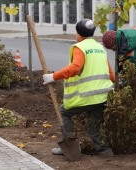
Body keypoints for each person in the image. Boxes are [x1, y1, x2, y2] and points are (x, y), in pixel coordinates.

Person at [43, 19, 115, 156]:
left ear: (79, 34)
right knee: (93, 127)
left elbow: (75, 68)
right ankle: (104, 150)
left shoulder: (80, 48)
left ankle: (69, 145)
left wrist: (53, 76)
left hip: (85, 97)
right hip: (102, 97)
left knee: (64, 112)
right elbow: (110, 74)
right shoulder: (100, 48)